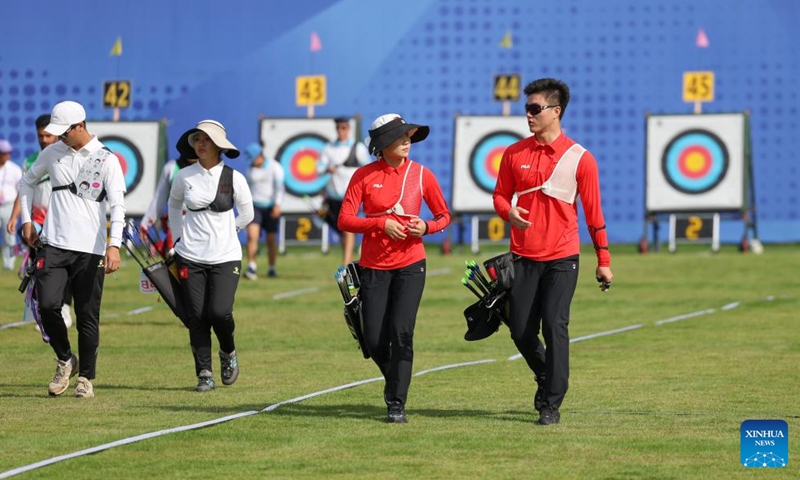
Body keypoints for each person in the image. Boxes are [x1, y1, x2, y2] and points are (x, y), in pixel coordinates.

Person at [492, 78, 613, 426]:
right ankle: (546, 375)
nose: (528, 115)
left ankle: (551, 403)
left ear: (555, 112)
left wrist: (603, 261)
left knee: (555, 325)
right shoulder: (514, 153)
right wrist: (507, 212)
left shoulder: (581, 159)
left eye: (535, 109)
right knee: (520, 331)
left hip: (562, 258)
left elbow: (594, 213)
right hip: (523, 256)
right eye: (526, 109)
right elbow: (500, 195)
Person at [338, 113, 451, 423]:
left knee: (402, 333)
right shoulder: (362, 175)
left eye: (409, 136)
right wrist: (380, 224)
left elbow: (443, 216)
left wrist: (425, 227)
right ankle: (396, 379)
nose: (407, 141)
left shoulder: (422, 175)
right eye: (401, 137)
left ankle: (396, 402)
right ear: (383, 144)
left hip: (411, 265)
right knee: (373, 338)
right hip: (374, 266)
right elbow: (345, 219)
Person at [18, 100, 127, 398]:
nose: (58, 137)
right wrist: (27, 222)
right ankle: (66, 359)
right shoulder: (52, 153)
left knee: (87, 315)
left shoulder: (107, 159)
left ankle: (86, 379)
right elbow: (25, 183)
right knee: (48, 305)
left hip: (90, 250)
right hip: (53, 244)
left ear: (80, 126)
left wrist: (114, 245)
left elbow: (118, 205)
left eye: (63, 132)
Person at [168, 120, 253, 392]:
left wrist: (232, 228)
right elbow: (173, 205)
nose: (200, 144)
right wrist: (176, 237)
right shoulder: (184, 176)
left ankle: (228, 351)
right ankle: (204, 373)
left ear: (219, 146)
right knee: (196, 316)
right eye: (197, 139)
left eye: (206, 139)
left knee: (220, 312)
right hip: (189, 256)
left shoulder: (234, 177)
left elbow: (247, 214)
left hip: (226, 256)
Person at [7, 115, 73, 328]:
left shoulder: (66, 158)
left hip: (62, 222)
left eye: (48, 135)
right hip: (37, 223)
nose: (44, 139)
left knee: (66, 266)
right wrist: (16, 216)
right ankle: (44, 310)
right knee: (41, 267)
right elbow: (25, 190)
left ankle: (64, 307)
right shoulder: (31, 160)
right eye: (40, 135)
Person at [317, 117, 370, 266]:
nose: (341, 131)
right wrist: (328, 169)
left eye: (344, 128)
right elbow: (319, 169)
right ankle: (348, 259)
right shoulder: (329, 148)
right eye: (338, 128)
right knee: (342, 230)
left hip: (351, 195)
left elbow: (368, 168)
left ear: (349, 129)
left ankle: (346, 265)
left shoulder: (357, 148)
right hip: (333, 195)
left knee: (349, 228)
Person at [139, 130, 198, 257]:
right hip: (177, 222)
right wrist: (145, 224)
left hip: (200, 223)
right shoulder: (171, 168)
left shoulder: (208, 169)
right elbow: (159, 197)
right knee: (174, 258)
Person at [243, 142, 284, 279]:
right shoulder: (250, 169)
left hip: (271, 207)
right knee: (252, 236)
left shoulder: (275, 167)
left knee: (270, 240)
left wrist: (277, 205)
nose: (252, 162)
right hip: (255, 207)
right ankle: (252, 267)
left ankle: (272, 267)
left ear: (260, 156)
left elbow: (279, 189)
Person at [0, 139, 23, 271]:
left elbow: (21, 189)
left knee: (10, 235)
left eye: (8, 152)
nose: (6, 155)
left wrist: (17, 210)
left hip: (9, 205)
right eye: (3, 153)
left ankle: (10, 263)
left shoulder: (14, 169)